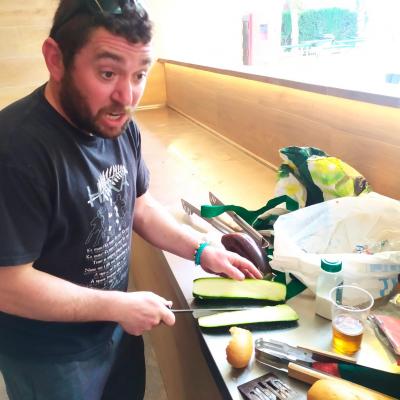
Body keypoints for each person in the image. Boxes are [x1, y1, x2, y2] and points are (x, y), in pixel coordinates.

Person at [0, 1, 262, 399]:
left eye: (139, 74)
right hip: (51, 355)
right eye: (108, 73)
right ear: (56, 59)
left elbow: (139, 207)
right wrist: (116, 306)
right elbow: (7, 283)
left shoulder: (119, 124)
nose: (127, 96)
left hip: (115, 326)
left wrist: (202, 250)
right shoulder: (17, 150)